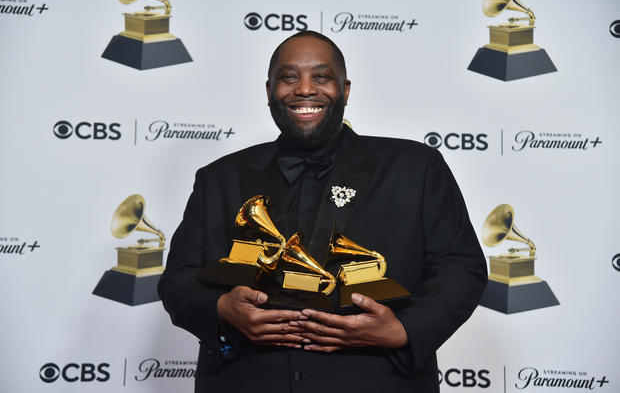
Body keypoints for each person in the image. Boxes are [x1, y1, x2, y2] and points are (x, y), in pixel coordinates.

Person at [158, 30, 487, 393]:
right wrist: (221, 307)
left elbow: (461, 267)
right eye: (289, 77)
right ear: (269, 90)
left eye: (321, 76)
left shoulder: (416, 167)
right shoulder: (218, 178)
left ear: (345, 89)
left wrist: (404, 330)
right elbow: (177, 280)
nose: (304, 89)